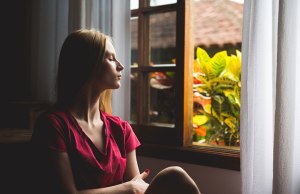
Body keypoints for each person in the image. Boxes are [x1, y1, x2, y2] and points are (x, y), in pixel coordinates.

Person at [30, 29, 201, 194]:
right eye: (111, 59)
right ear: (88, 64)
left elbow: (137, 188)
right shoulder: (53, 126)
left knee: (175, 175)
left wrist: (133, 188)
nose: (120, 66)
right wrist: (128, 188)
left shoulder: (121, 129)